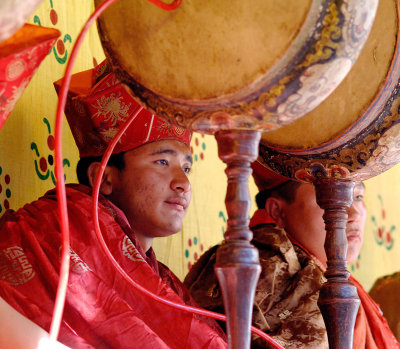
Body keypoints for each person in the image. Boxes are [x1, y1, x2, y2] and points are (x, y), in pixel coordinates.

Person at [0, 61, 227, 348]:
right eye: (162, 162)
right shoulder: (48, 235)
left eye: (187, 168)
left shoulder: (166, 285)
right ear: (104, 178)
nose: (182, 182)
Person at [184, 161, 399, 349]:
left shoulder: (331, 276)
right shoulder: (261, 268)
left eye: (358, 196)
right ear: (277, 211)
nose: (352, 214)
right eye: (328, 198)